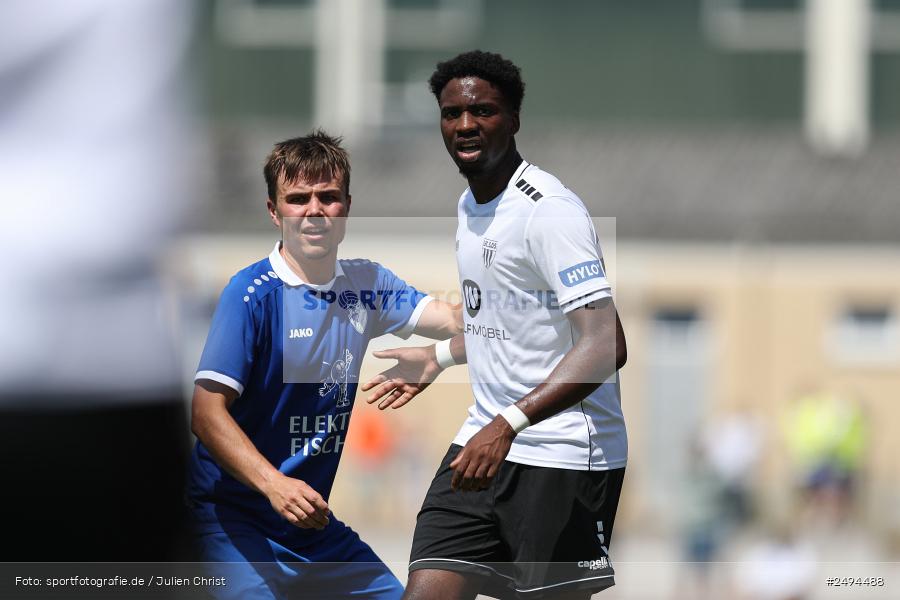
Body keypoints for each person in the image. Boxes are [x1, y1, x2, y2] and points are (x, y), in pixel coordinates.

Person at [362, 51, 628, 600]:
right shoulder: (469, 204)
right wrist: (438, 358)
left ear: (513, 119)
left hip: (561, 455)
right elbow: (511, 321)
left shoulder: (549, 212)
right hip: (482, 442)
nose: (464, 125)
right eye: (451, 112)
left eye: (482, 111)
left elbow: (605, 345)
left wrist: (507, 423)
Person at [188, 131, 462, 599]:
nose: (314, 211)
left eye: (328, 197)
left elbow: (466, 325)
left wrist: (439, 357)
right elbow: (205, 412)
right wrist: (275, 486)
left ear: (347, 206)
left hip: (311, 528)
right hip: (232, 523)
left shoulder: (367, 283)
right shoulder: (250, 295)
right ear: (274, 212)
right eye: (298, 199)